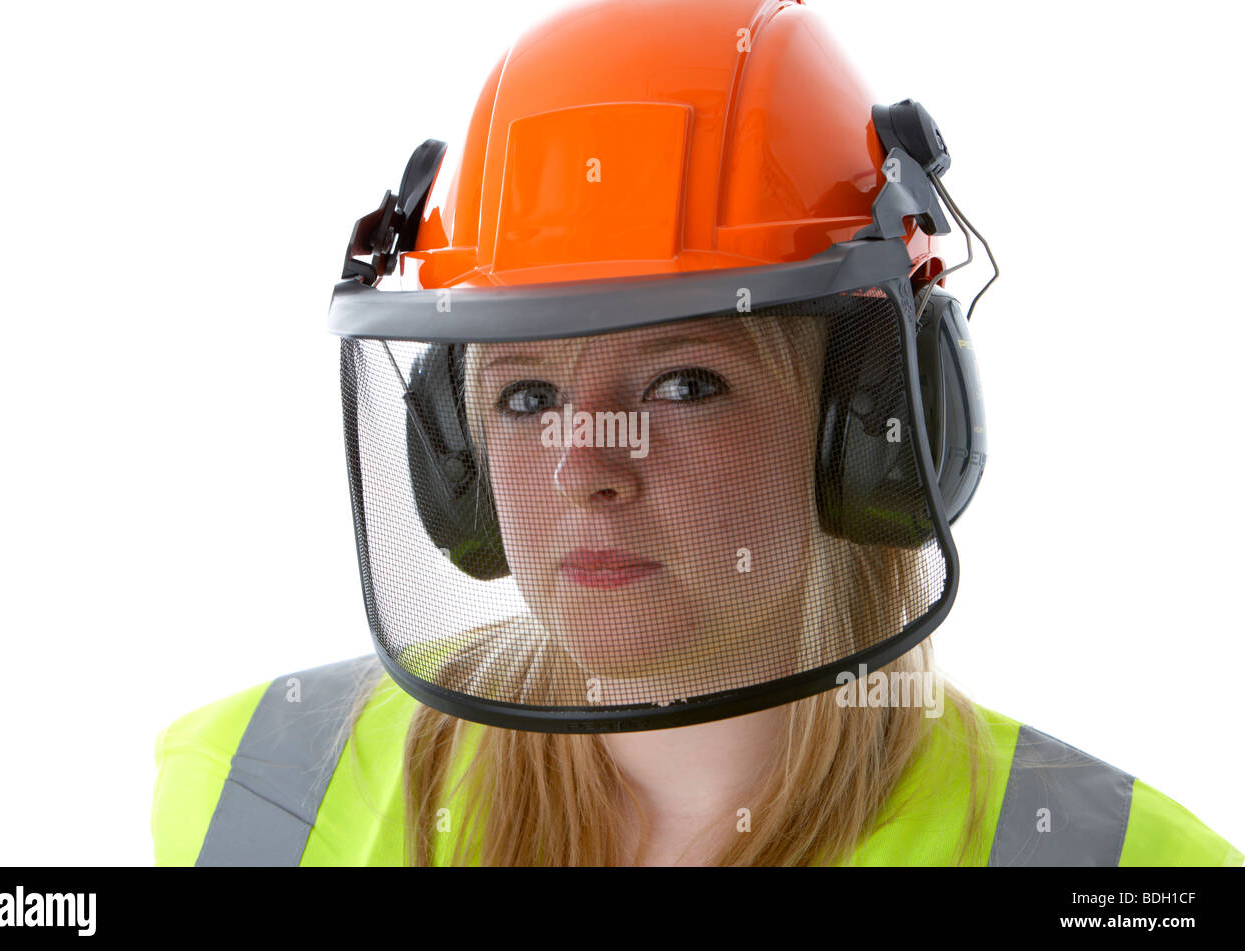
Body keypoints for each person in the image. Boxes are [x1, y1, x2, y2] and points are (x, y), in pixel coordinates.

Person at [151, 0, 1242, 867]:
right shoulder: (251, 791)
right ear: (454, 455)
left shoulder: (1124, 867)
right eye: (526, 399)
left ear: (872, 430)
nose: (585, 468)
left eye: (683, 382)